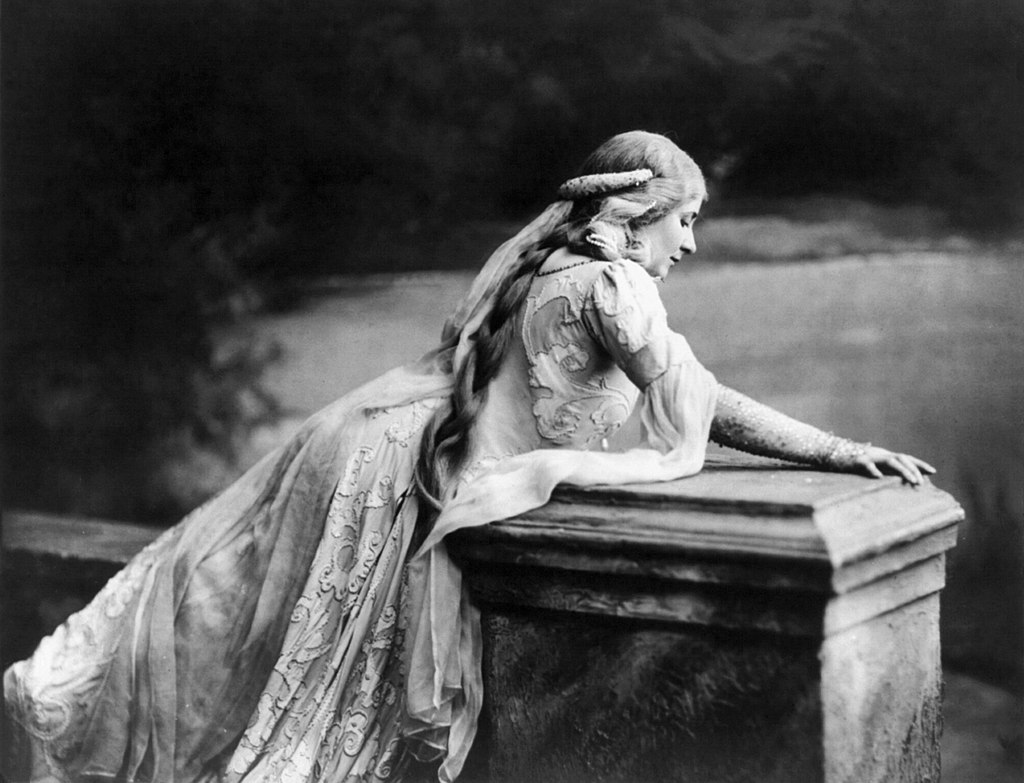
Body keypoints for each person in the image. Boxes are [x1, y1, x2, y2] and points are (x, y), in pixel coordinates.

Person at [2, 130, 934, 783]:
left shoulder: (549, 266)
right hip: (397, 473)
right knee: (282, 667)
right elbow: (706, 403)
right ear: (638, 213)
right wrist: (835, 448)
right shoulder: (612, 285)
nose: (688, 242)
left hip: (374, 441)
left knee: (232, 600)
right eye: (684, 219)